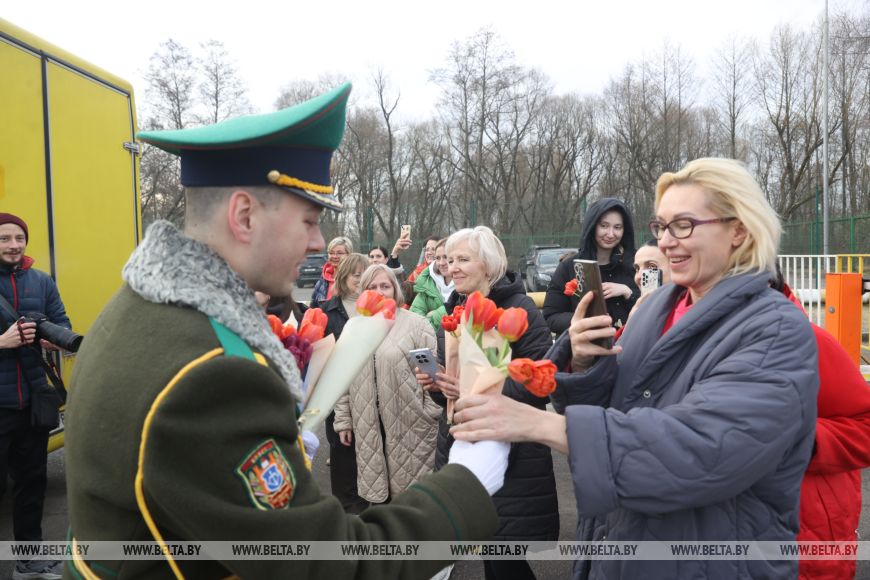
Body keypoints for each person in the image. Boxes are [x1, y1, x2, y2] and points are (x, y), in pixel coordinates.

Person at [65, 83, 509, 579]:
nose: (319, 242)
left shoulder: (137, 311)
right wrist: (465, 485)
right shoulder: (213, 374)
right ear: (244, 216)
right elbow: (330, 566)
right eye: (309, 220)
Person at [452, 159, 819, 579]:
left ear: (738, 230)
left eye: (683, 225)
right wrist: (585, 361)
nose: (665, 242)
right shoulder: (656, 307)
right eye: (661, 226)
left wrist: (538, 424)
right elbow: (621, 408)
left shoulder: (775, 329)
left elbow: (701, 450)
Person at [418, 226, 558, 580]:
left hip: (510, 452)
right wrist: (439, 384)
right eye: (450, 260)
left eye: (463, 259)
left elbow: (539, 382)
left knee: (505, 557)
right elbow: (452, 386)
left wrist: (473, 390)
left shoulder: (520, 308)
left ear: (489, 264)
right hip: (462, 441)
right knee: (490, 553)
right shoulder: (457, 308)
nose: (452, 267)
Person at [769, 270, 870, 580]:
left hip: (805, 538)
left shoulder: (810, 341)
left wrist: (803, 442)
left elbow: (864, 426)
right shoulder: (678, 340)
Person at [0, 213, 72, 580]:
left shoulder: (42, 281)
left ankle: (29, 562)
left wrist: (51, 337)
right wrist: (2, 342)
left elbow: (63, 325)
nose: (13, 245)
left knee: (31, 487)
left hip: (32, 405)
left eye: (19, 238)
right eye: (4, 238)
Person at [334, 264, 441, 506]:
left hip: (410, 424)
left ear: (395, 289)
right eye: (372, 287)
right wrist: (344, 420)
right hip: (368, 424)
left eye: (385, 286)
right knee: (380, 500)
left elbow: (432, 374)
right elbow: (342, 379)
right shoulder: (353, 329)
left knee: (413, 503)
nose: (379, 292)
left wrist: (430, 413)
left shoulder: (416, 325)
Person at [542, 198, 638, 334]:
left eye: (617, 227)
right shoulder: (569, 267)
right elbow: (551, 317)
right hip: (582, 345)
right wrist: (585, 320)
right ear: (592, 226)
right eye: (604, 226)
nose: (611, 234)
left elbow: (650, 314)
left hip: (626, 345)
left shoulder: (636, 266)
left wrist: (628, 293)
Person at [321, 252, 370, 513]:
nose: (360, 280)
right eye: (355, 274)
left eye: (365, 274)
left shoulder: (376, 310)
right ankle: (344, 506)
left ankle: (365, 499)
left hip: (369, 389)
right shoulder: (327, 311)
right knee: (341, 448)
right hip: (337, 391)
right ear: (343, 276)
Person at [410, 238, 454, 331]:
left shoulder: (465, 284)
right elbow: (414, 318)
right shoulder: (429, 283)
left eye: (446, 257)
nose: (441, 263)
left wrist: (434, 314)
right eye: (438, 258)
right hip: (428, 337)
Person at [310, 236, 353, 307]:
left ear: (349, 255)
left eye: (339, 253)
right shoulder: (322, 281)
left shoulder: (355, 279)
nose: (335, 256)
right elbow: (313, 307)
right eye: (331, 253)